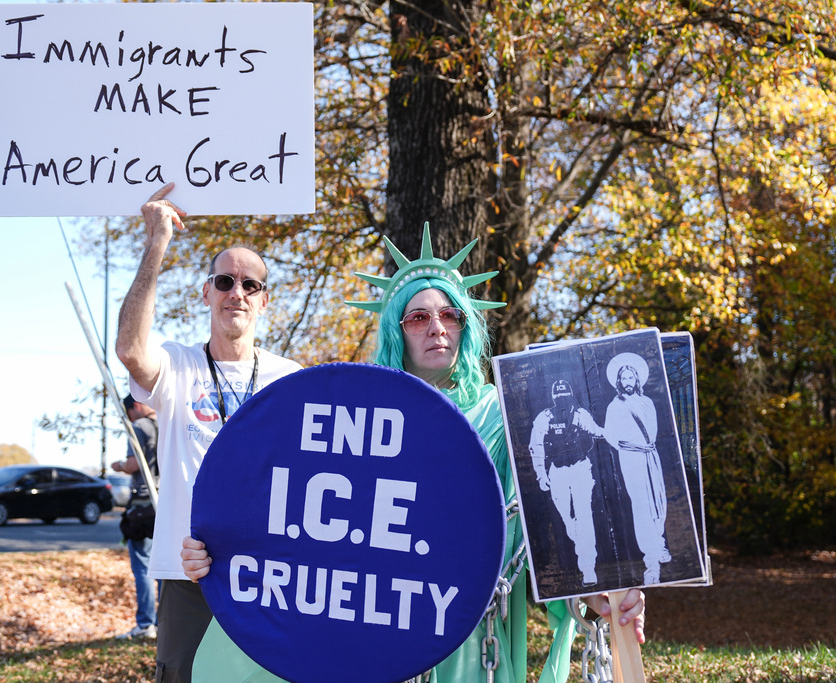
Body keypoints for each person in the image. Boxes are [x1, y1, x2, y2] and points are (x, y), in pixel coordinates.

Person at [182, 226, 645, 682]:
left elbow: (537, 529)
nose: (437, 327)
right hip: (375, 631)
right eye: (418, 317)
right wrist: (217, 551)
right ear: (396, 331)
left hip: (465, 635)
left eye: (450, 315)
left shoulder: (502, 417)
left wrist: (594, 590)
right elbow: (292, 512)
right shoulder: (354, 416)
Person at [115, 182, 303, 683]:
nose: (236, 293)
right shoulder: (178, 364)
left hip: (269, 576)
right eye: (224, 282)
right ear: (206, 292)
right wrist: (157, 241)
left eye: (250, 285)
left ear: (265, 301)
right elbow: (131, 349)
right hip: (189, 572)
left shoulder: (293, 378)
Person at [529, 379, 604, 586]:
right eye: (557, 394)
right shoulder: (544, 418)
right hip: (558, 473)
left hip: (580, 469)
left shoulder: (580, 414)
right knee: (568, 519)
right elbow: (536, 447)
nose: (561, 398)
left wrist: (612, 433)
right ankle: (577, 536)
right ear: (552, 397)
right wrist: (541, 475)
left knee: (584, 515)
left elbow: (596, 431)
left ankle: (588, 567)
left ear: (570, 394)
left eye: (565, 394)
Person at [603, 352, 669, 585]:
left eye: (632, 378)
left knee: (658, 502)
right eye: (624, 379)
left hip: (651, 455)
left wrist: (646, 446)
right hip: (631, 458)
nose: (628, 382)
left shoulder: (648, 402)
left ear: (637, 380)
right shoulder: (615, 405)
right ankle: (650, 561)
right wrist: (627, 446)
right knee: (642, 506)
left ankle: (659, 543)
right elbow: (610, 434)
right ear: (619, 382)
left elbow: (653, 429)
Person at [112, 394, 160, 640]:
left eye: (128, 412)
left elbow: (133, 465)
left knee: (142, 566)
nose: (129, 417)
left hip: (143, 504)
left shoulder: (139, 427)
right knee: (163, 567)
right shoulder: (166, 422)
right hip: (165, 502)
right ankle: (165, 623)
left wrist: (119, 465)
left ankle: (145, 624)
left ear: (136, 405)